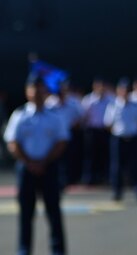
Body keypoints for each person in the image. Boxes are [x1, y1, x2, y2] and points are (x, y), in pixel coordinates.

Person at [3, 73, 69, 255]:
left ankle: (58, 249)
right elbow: (12, 142)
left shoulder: (55, 116)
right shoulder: (20, 115)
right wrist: (29, 162)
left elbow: (61, 141)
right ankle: (24, 249)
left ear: (46, 91)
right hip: (26, 169)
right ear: (27, 92)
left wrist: (44, 162)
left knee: (53, 211)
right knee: (25, 213)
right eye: (34, 88)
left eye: (41, 88)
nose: (37, 92)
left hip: (49, 167)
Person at [104, 78, 137, 202]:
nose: (125, 92)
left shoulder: (136, 106)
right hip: (118, 139)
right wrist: (119, 132)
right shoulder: (113, 105)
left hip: (133, 138)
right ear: (118, 91)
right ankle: (117, 191)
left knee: (136, 166)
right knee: (116, 167)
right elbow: (107, 123)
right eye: (122, 89)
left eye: (127, 90)